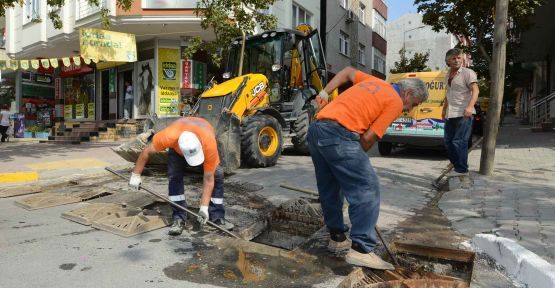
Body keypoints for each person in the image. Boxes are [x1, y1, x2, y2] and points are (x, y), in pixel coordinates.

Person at [308, 66, 428, 270]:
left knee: (330, 187)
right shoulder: (395, 101)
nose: (409, 109)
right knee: (366, 188)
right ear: (407, 92)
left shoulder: (374, 82)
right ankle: (362, 250)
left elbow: (346, 71)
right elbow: (367, 139)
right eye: (413, 103)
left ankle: (337, 238)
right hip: (340, 135)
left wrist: (324, 92)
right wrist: (356, 159)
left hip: (317, 130)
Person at [129, 117, 234, 235]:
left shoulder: (208, 143)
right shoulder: (169, 137)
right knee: (174, 176)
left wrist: (203, 208)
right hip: (177, 145)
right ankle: (178, 218)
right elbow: (146, 152)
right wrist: (135, 175)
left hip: (203, 134)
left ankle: (217, 216)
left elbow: (208, 178)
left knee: (217, 175)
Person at [442, 48, 479, 176]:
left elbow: (475, 90)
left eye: (459, 58)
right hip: (450, 113)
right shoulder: (447, 75)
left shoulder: (468, 73)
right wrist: (444, 109)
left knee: (459, 141)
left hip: (463, 113)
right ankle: (457, 166)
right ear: (448, 61)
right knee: (448, 142)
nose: (457, 60)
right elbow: (448, 94)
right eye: (453, 58)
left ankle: (462, 170)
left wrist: (470, 107)